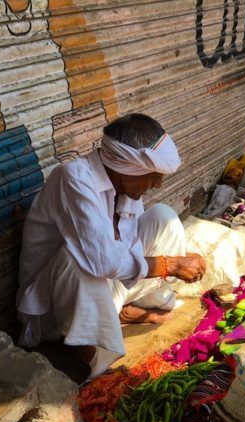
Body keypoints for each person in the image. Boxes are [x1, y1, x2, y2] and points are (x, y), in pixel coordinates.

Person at [17, 113, 206, 380]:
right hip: (56, 306)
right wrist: (170, 264)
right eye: (152, 175)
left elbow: (127, 247)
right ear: (124, 166)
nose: (157, 184)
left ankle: (120, 311)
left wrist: (166, 263)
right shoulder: (74, 178)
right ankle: (86, 356)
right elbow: (102, 261)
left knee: (163, 217)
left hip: (102, 285)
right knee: (77, 258)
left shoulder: (125, 188)